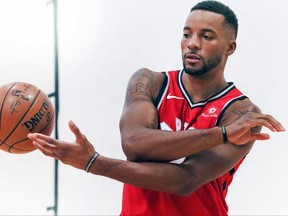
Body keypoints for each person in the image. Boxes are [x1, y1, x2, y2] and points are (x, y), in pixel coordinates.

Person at [28, 1, 285, 215]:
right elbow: (135, 144)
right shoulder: (149, 82)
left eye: (206, 36)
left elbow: (188, 179)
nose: (193, 43)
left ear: (230, 47)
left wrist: (94, 164)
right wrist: (222, 134)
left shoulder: (241, 112)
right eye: (187, 34)